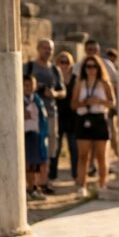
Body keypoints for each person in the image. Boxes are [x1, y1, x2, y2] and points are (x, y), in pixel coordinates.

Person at [24, 38, 66, 192]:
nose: (47, 51)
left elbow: (63, 92)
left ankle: (44, 181)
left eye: (50, 48)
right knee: (32, 148)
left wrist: (53, 93)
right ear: (38, 48)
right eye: (45, 48)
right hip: (31, 115)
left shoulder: (55, 70)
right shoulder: (28, 67)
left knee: (48, 149)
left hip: (50, 113)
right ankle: (32, 184)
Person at [71, 55, 115, 197]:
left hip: (99, 118)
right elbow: (73, 104)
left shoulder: (105, 83)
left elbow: (112, 103)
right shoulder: (80, 83)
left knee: (101, 156)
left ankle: (103, 184)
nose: (91, 69)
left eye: (94, 66)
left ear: (98, 68)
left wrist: (99, 101)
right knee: (83, 156)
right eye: (88, 66)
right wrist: (84, 102)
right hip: (83, 118)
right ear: (84, 68)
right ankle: (82, 186)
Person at [85, 39, 119, 156]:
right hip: (85, 112)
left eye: (95, 50)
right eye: (90, 50)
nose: (92, 52)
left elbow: (116, 84)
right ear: (85, 50)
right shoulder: (80, 66)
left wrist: (105, 99)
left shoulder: (107, 65)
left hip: (104, 110)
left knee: (107, 140)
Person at [22, 75, 50, 201]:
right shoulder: (19, 101)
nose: (29, 88)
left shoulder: (37, 100)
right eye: (26, 85)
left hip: (36, 134)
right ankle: (27, 188)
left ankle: (34, 187)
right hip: (24, 135)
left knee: (35, 164)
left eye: (31, 85)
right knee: (27, 164)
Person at [55, 51, 80, 181]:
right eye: (61, 62)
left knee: (73, 147)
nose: (64, 65)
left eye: (67, 62)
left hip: (72, 116)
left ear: (71, 64)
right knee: (56, 147)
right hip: (57, 115)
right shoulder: (54, 77)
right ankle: (52, 175)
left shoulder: (76, 78)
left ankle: (75, 174)